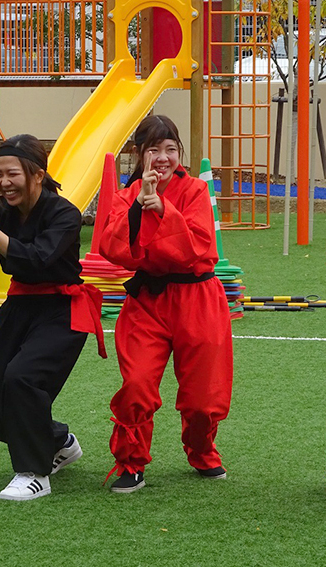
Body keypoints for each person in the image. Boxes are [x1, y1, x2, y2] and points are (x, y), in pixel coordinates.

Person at [0, 134, 105, 501]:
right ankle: (59, 441)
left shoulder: (65, 213)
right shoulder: (1, 211)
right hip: (19, 309)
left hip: (62, 311)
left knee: (23, 378)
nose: (3, 183)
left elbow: (35, 259)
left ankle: (35, 472)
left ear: (36, 174)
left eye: (11, 174)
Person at [99, 115, 233, 493]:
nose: (162, 157)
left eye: (170, 149)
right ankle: (130, 460)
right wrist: (141, 208)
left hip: (198, 298)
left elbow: (196, 247)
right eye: (153, 149)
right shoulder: (127, 196)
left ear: (180, 153)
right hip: (147, 302)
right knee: (137, 384)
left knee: (204, 398)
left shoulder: (193, 191)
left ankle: (202, 449)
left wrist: (163, 209)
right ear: (139, 155)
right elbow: (114, 249)